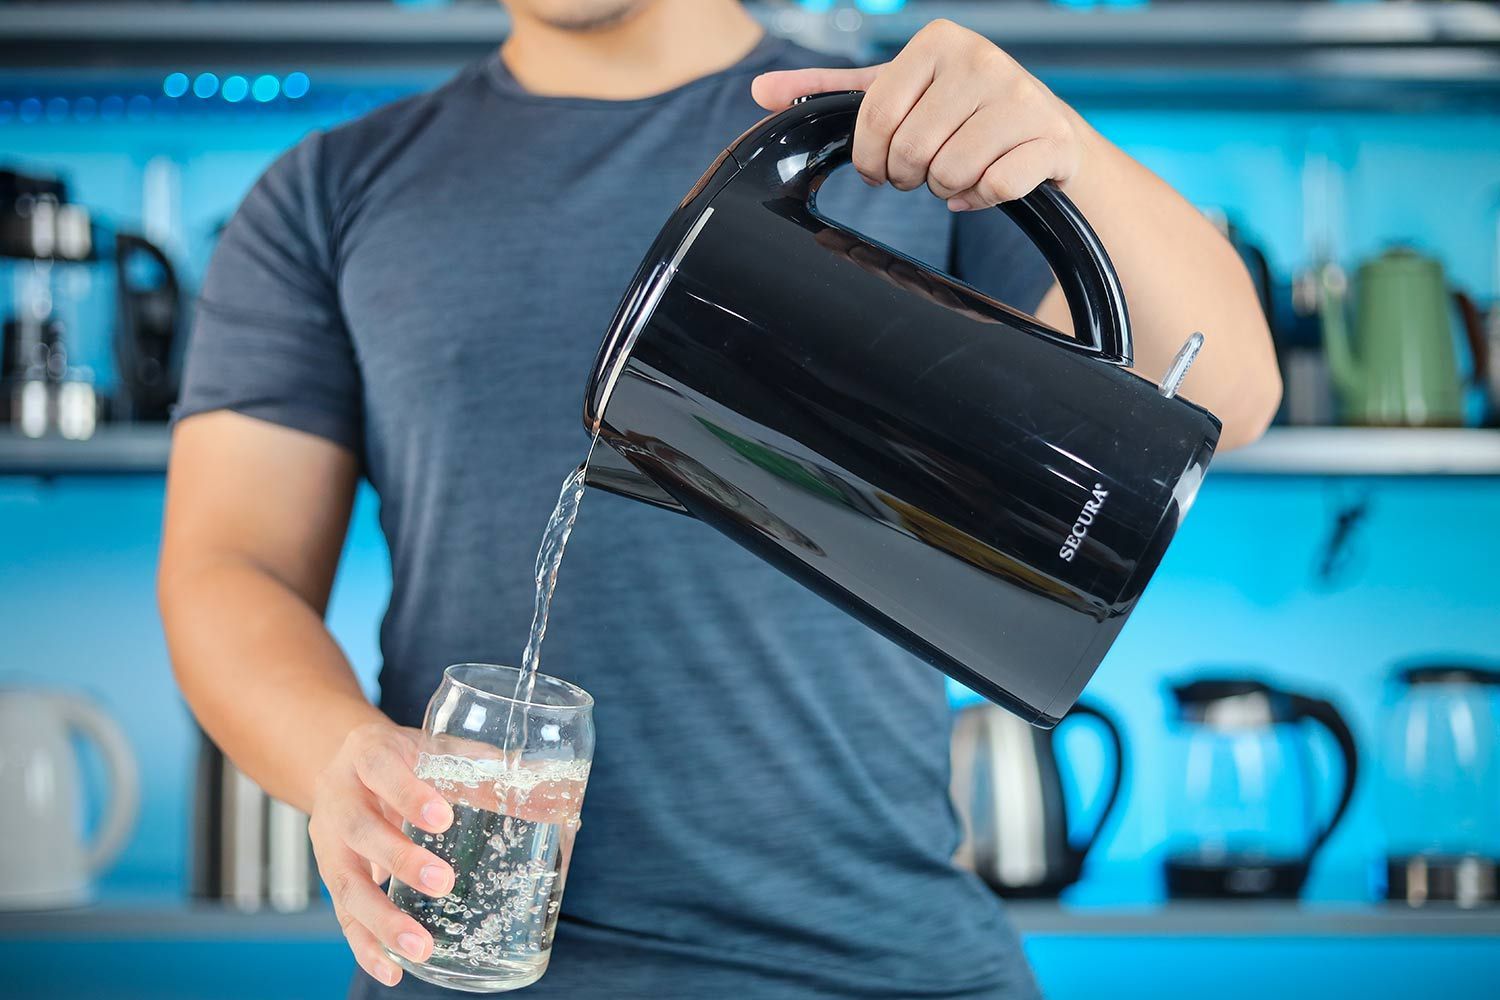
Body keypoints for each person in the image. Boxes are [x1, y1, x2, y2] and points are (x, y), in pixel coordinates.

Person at [159, 2, 1279, 997]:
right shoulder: (328, 191)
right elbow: (229, 564)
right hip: (473, 956)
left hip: (882, 956)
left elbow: (1228, 385)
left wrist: (1062, 148)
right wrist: (333, 755)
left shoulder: (900, 136)